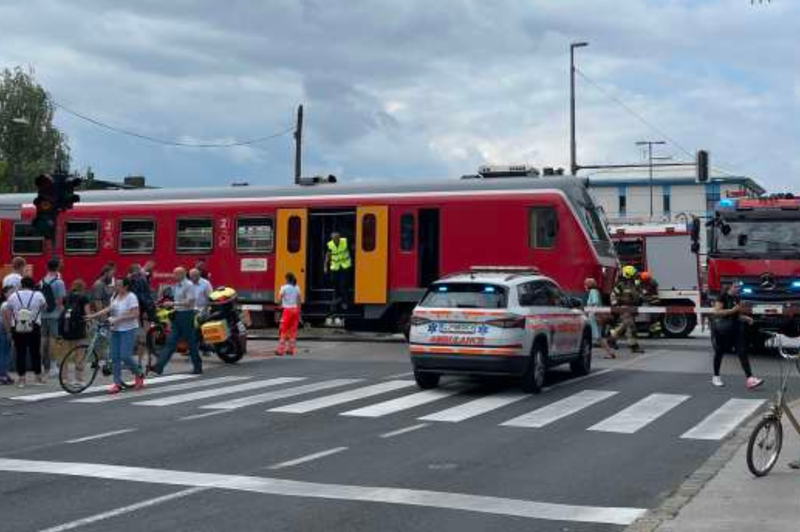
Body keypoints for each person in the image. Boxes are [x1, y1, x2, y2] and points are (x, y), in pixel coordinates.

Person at [86, 278, 145, 393]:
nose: (115, 287)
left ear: (125, 287)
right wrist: (94, 315)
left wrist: (118, 319)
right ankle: (117, 383)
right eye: (116, 285)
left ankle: (139, 374)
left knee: (125, 356)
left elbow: (135, 313)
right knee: (115, 357)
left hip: (128, 329)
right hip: (115, 329)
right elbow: (109, 308)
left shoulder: (131, 297)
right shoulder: (115, 296)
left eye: (118, 285)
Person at [710, 283, 763, 390]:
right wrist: (732, 310)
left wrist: (746, 318)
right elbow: (717, 312)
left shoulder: (736, 298)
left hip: (736, 329)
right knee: (719, 352)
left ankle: (750, 378)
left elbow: (737, 315)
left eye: (738, 287)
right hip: (722, 329)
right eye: (736, 287)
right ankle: (716, 376)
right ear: (729, 287)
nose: (738, 288)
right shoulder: (722, 297)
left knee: (742, 352)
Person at [150, 267, 202, 375]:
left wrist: (173, 304)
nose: (174, 276)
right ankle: (159, 367)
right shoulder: (176, 286)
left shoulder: (188, 285)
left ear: (182, 274)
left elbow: (190, 302)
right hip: (178, 315)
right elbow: (177, 300)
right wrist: (169, 303)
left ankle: (198, 367)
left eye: (176, 274)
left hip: (187, 315)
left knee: (191, 342)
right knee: (170, 342)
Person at [7, 277, 48, 387]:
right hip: (34, 326)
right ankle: (38, 378)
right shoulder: (38, 295)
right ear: (33, 285)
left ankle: (21, 379)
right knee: (35, 352)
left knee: (20, 352)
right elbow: (45, 307)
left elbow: (9, 309)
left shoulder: (14, 295)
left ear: (21, 285)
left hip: (17, 327)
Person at [59, 279, 92, 386]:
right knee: (80, 354)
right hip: (79, 328)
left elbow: (62, 312)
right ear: (83, 288)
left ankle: (64, 378)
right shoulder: (84, 297)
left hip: (66, 328)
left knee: (65, 354)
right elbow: (87, 314)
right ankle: (79, 379)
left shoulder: (66, 297)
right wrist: (89, 324)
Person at [39, 258, 67, 378]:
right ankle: (53, 366)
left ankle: (39, 364)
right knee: (53, 340)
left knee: (42, 339)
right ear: (57, 267)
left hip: (42, 314)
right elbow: (61, 301)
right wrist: (63, 313)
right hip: (54, 315)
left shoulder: (41, 281)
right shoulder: (59, 282)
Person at [609, 265, 645, 354]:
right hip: (624, 308)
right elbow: (613, 296)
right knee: (631, 326)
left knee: (624, 326)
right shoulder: (620, 285)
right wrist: (616, 305)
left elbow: (640, 294)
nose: (635, 276)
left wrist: (641, 298)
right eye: (633, 274)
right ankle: (633, 346)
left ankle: (611, 340)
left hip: (633, 309)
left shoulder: (635, 284)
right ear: (628, 275)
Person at [584, 278, 616, 359]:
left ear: (589, 285)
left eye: (586, 284)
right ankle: (610, 352)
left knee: (598, 337)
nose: (584, 286)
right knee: (598, 337)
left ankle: (609, 352)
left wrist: (590, 311)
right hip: (595, 316)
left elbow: (595, 302)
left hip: (594, 316)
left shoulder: (593, 292)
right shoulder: (595, 291)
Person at [324, 231, 352, 313]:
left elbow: (353, 248)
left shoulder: (345, 241)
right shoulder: (330, 244)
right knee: (334, 282)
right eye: (334, 238)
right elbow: (328, 255)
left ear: (339, 237)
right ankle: (339, 298)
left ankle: (344, 302)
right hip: (335, 267)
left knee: (343, 284)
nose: (335, 240)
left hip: (345, 266)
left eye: (337, 238)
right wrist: (325, 266)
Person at [276, 272, 301, 356]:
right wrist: (299, 311)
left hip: (287, 311)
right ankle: (291, 350)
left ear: (286, 279)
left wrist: (279, 305)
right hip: (295, 311)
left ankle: (280, 350)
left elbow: (279, 299)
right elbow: (299, 300)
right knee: (292, 331)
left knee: (283, 330)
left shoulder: (284, 288)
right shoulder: (297, 288)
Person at [0, 285, 15, 384]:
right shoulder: (6, 304)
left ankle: (4, 374)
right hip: (4, 329)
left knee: (5, 352)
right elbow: (6, 319)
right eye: (11, 292)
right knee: (5, 353)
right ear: (5, 294)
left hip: (4, 328)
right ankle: (2, 375)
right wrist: (9, 331)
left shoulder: (6, 304)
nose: (13, 293)